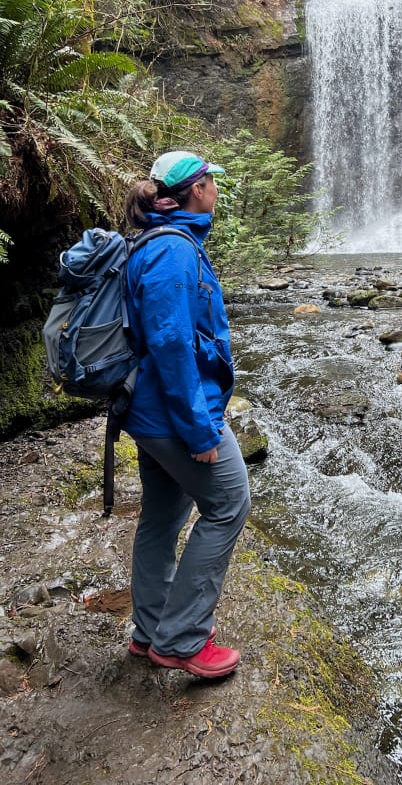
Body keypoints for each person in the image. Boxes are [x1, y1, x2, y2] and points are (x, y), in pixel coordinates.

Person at [121, 150, 251, 679]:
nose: (217, 190)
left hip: (148, 412)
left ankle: (151, 630)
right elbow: (172, 345)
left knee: (163, 516)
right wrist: (200, 430)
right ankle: (181, 640)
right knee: (229, 503)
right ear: (195, 191)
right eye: (212, 183)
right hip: (172, 413)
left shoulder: (158, 242)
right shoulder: (174, 251)